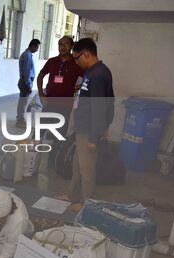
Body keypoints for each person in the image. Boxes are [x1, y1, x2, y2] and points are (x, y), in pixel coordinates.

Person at [59, 38, 115, 208]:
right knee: (77, 166)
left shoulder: (98, 74)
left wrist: (93, 137)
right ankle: (71, 194)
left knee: (87, 170)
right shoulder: (92, 72)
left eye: (77, 58)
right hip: (82, 128)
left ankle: (86, 204)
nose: (76, 61)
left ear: (87, 54)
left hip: (89, 131)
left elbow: (100, 107)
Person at [36, 36, 84, 168]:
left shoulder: (76, 64)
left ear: (71, 46)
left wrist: (79, 87)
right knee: (39, 131)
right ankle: (33, 156)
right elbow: (40, 76)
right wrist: (41, 93)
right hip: (49, 104)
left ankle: (53, 160)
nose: (62, 47)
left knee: (59, 134)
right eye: (60, 44)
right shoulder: (52, 62)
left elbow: (88, 77)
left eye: (65, 44)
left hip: (65, 106)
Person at [16, 39, 40, 127]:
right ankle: (20, 121)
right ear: (32, 46)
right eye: (37, 47)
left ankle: (20, 118)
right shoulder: (27, 56)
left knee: (22, 101)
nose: (37, 49)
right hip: (25, 82)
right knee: (23, 102)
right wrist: (28, 85)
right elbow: (27, 72)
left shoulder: (28, 54)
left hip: (24, 81)